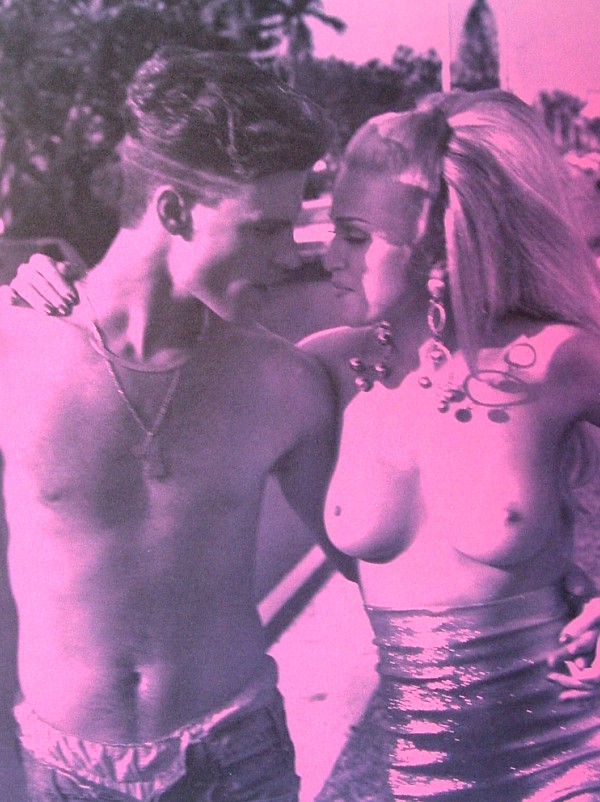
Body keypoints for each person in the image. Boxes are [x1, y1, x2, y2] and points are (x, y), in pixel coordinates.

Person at [11, 89, 600, 800]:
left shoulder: (556, 360)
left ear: (439, 243)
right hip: (419, 768)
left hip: (567, 750)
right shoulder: (324, 370)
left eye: (353, 235)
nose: (319, 254)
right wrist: (36, 292)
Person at [0, 45, 353, 802]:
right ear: (173, 210)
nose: (289, 254)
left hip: (234, 758)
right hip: (67, 772)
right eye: (264, 228)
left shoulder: (283, 382)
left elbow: (376, 559)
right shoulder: (13, 350)